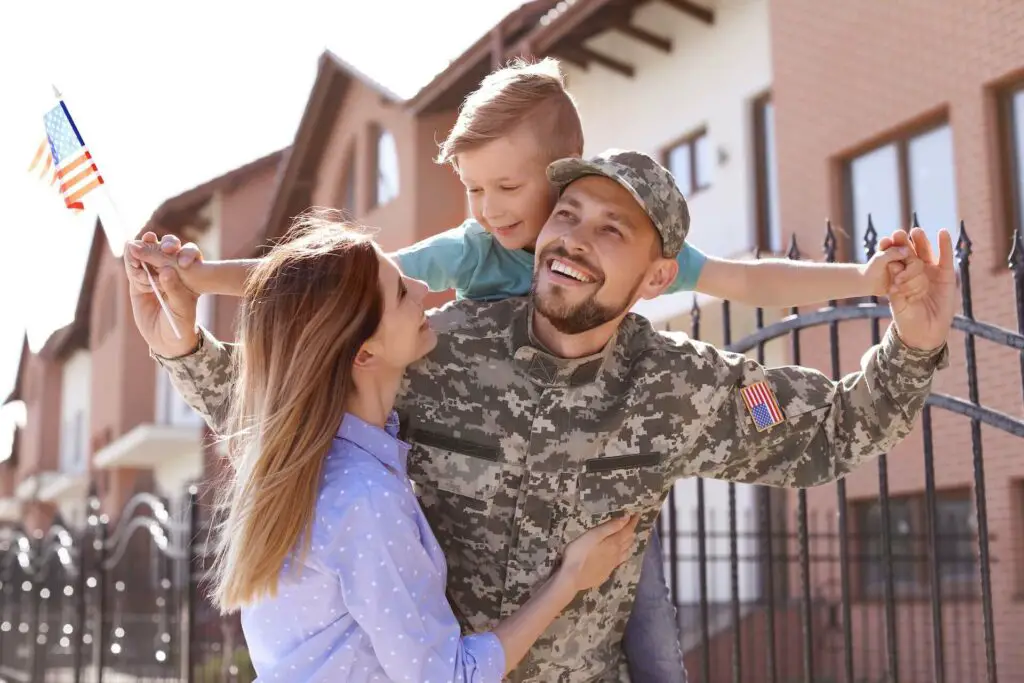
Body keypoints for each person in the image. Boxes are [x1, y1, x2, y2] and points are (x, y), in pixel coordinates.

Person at [157, 58, 913, 683]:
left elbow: (829, 425)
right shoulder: (429, 341)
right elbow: (296, 388)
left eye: (610, 228)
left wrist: (904, 327)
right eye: (569, 213)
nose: (571, 238)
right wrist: (185, 334)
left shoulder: (690, 389)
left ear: (655, 276)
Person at [190, 214, 642, 682]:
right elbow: (448, 677)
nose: (424, 288)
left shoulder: (316, 470)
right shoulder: (363, 496)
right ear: (364, 354)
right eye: (402, 292)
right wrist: (570, 580)